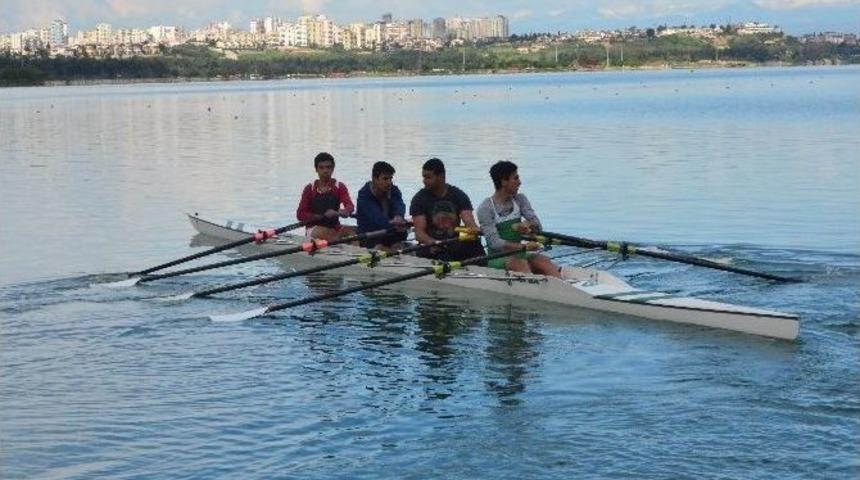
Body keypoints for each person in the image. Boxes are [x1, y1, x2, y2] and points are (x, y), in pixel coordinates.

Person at [476, 161, 561, 277]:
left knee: (543, 260)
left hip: (520, 254)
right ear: (504, 181)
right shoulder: (485, 208)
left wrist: (529, 226)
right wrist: (524, 247)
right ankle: (535, 288)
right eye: (515, 178)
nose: (519, 182)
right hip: (496, 258)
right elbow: (494, 243)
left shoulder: (520, 200)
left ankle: (563, 286)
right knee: (520, 264)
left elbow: (538, 226)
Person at [409, 158, 485, 261]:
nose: (424, 181)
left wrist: (478, 230)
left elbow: (469, 222)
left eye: (428, 177)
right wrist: (434, 243)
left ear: (441, 176)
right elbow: (419, 234)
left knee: (474, 241)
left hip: (454, 240)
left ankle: (484, 267)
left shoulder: (458, 195)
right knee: (444, 252)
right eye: (424, 177)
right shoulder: (419, 199)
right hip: (431, 243)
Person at [296, 152, 355, 241]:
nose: (325, 171)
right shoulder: (309, 189)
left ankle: (359, 252)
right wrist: (317, 216)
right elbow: (300, 214)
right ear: (316, 169)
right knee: (329, 234)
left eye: (328, 167)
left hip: (334, 227)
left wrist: (341, 212)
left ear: (333, 169)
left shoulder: (339, 186)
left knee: (353, 233)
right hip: (314, 228)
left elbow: (350, 206)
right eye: (321, 167)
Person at [355, 161, 408, 250]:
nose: (389, 182)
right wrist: (394, 222)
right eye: (385, 179)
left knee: (398, 244)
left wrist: (399, 216)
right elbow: (377, 218)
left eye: (391, 178)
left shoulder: (394, 190)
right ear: (374, 179)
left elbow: (399, 205)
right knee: (380, 248)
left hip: (389, 232)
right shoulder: (364, 195)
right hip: (370, 234)